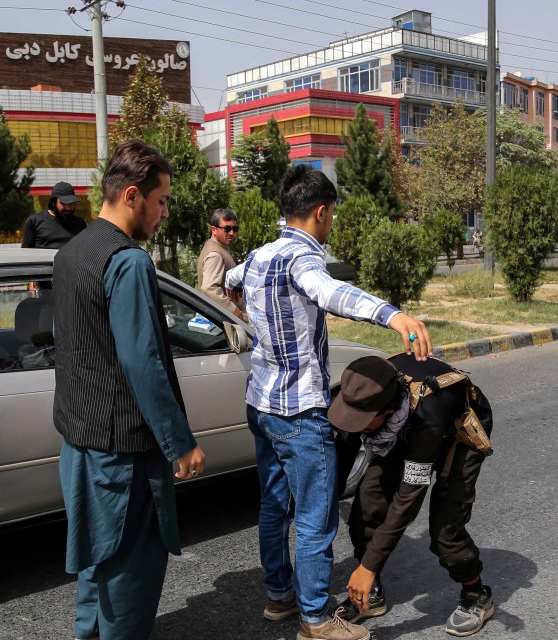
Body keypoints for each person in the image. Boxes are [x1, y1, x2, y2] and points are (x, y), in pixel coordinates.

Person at [225, 165, 432, 640]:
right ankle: (316, 621)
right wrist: (392, 315)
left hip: (261, 404)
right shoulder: (302, 259)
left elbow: (230, 283)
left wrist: (254, 319)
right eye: (332, 214)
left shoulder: (259, 255)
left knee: (275, 507)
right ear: (321, 212)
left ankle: (279, 596)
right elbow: (329, 292)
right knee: (316, 519)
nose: (331, 221)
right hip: (299, 412)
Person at [52, 139, 206, 640]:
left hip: (80, 444)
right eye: (162, 201)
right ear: (134, 195)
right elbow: (144, 363)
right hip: (125, 456)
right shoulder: (129, 262)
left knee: (96, 570)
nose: (164, 213)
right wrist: (180, 443)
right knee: (130, 585)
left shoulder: (71, 251)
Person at [330, 354, 495, 637]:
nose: (357, 425)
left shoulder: (428, 415)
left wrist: (367, 567)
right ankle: (372, 595)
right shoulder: (364, 391)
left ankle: (476, 594)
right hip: (403, 430)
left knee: (445, 530)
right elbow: (345, 449)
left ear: (388, 410)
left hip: (457, 436)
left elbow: (409, 497)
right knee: (367, 507)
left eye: (364, 421)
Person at [196, 208, 243, 319]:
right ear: (213, 229)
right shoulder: (215, 255)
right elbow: (209, 288)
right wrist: (234, 311)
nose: (232, 233)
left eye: (234, 228)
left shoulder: (217, 246)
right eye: (227, 229)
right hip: (225, 320)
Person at [21, 181, 87, 249]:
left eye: (71, 203)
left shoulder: (80, 224)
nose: (68, 208)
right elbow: (25, 252)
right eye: (63, 203)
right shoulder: (34, 221)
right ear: (53, 203)